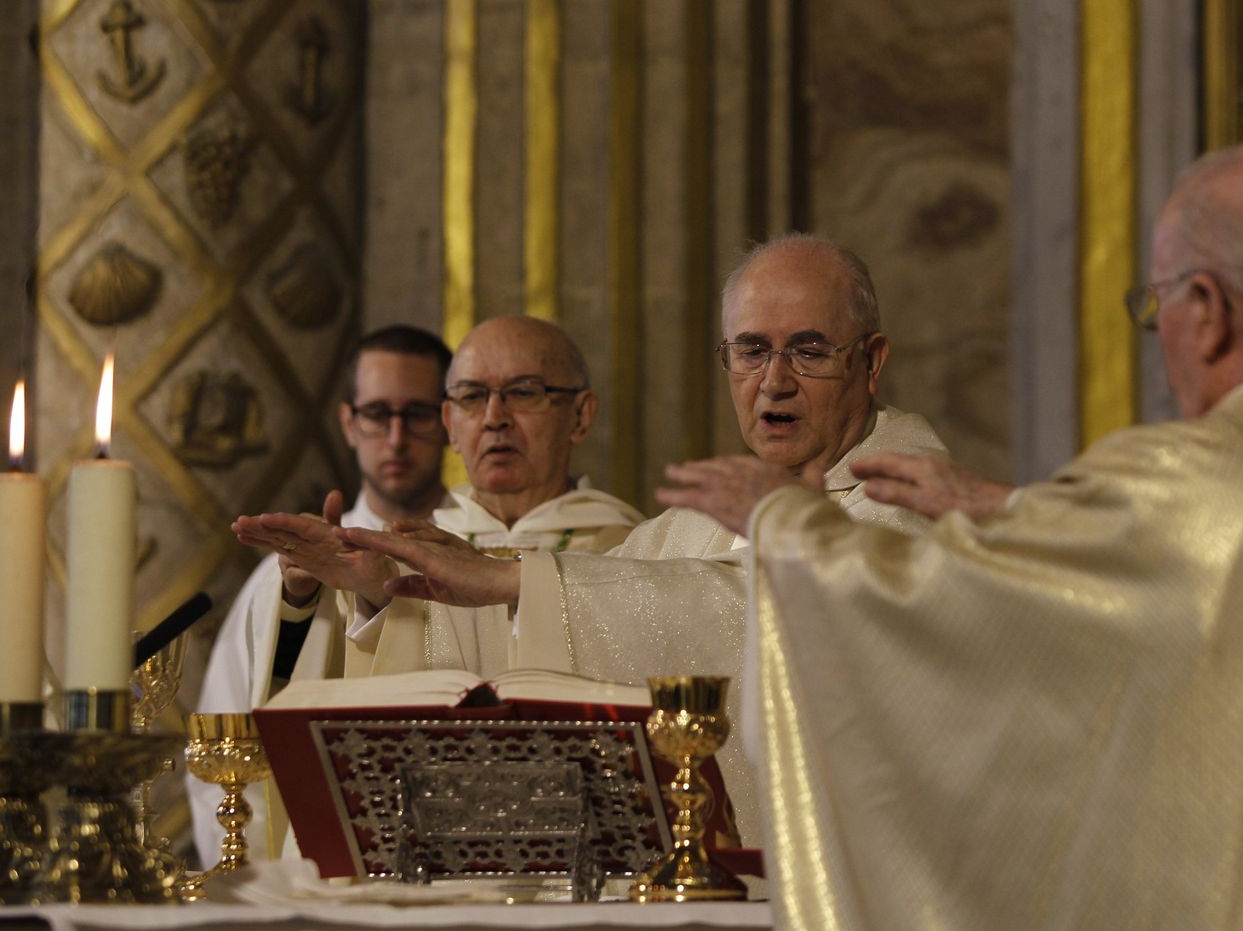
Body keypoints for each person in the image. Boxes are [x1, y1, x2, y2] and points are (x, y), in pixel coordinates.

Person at [658, 140, 1243, 929]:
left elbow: (942, 633)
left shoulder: (1200, 485)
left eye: (1156, 308)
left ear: (1211, 309)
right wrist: (1005, 508)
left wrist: (782, 521)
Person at [341, 235, 948, 845]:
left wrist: (520, 580)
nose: (774, 382)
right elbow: (562, 636)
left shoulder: (916, 501)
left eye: (809, 351)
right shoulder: (691, 527)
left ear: (871, 362)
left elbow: (779, 606)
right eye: (751, 351)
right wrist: (393, 596)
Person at [231, 315, 643, 680]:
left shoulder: (632, 554)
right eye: (472, 397)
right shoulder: (408, 554)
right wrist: (308, 600)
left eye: (523, 392)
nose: (494, 418)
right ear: (450, 425)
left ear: (580, 416)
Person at [190, 323, 454, 865]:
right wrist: (262, 886)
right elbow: (228, 741)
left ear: (449, 421)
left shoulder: (479, 558)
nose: (397, 438)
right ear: (348, 423)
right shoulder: (283, 577)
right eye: (378, 414)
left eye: (418, 414)